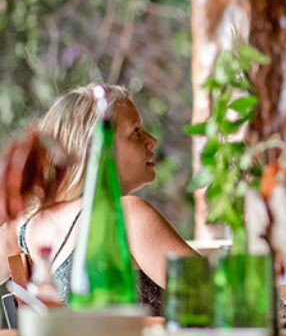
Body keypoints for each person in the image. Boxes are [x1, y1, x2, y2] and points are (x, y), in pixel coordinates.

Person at [0, 84, 198, 314]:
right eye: (136, 131)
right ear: (94, 147)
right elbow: (220, 298)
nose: (151, 140)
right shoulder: (127, 215)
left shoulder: (25, 226)